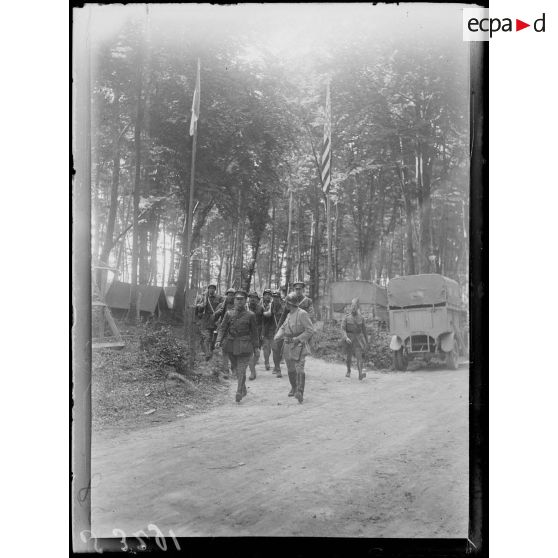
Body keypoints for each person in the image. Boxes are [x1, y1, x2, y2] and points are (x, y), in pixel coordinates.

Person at [216, 290, 259, 403]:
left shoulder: (251, 315)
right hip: (231, 345)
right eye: (237, 299)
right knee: (235, 369)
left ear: (245, 301)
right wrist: (218, 340)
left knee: (241, 370)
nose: (239, 301)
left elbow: (254, 332)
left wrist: (256, 347)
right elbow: (222, 328)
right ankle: (243, 388)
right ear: (234, 300)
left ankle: (239, 391)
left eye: (241, 299)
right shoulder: (229, 313)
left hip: (245, 345)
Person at [274, 293, 314, 403]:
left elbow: (310, 330)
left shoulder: (302, 314)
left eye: (286, 302)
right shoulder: (289, 314)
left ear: (290, 304)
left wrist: (298, 339)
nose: (285, 304)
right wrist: (278, 335)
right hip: (287, 345)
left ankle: (300, 392)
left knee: (299, 369)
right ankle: (294, 387)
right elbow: (284, 327)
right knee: (291, 370)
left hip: (299, 345)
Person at [341, 297, 369, 380]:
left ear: (357, 308)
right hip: (349, 340)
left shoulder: (361, 318)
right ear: (350, 307)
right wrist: (346, 338)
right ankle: (348, 370)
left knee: (359, 357)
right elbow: (342, 329)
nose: (353, 308)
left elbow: (364, 331)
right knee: (348, 357)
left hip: (358, 340)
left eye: (355, 307)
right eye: (352, 306)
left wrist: (366, 342)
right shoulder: (346, 317)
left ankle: (360, 373)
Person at [195, 284, 223, 361]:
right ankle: (207, 354)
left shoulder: (219, 298)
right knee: (207, 337)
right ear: (208, 289)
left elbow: (223, 307)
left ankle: (211, 351)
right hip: (207, 320)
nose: (211, 290)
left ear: (215, 290)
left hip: (216, 321)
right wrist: (200, 307)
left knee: (214, 339)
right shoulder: (204, 298)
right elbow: (198, 309)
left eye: (213, 288)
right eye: (210, 288)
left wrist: (217, 313)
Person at [213, 288, 235, 378]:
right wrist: (219, 312)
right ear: (227, 295)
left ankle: (234, 370)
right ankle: (226, 371)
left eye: (232, 295)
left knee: (233, 352)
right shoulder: (222, 305)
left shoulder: (238, 306)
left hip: (234, 330)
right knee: (225, 351)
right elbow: (214, 317)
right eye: (229, 294)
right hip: (224, 329)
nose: (231, 296)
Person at [261, 289, 284, 375]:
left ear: (280, 298)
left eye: (277, 297)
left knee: (278, 350)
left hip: (279, 332)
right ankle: (272, 365)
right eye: (274, 297)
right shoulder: (268, 306)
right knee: (268, 349)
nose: (275, 299)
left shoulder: (283, 307)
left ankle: (276, 367)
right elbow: (264, 318)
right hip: (268, 332)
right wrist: (267, 313)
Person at [247, 291, 263, 380]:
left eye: (254, 297)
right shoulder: (245, 308)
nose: (252, 299)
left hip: (258, 334)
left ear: (257, 299)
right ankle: (253, 372)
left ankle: (252, 366)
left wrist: (262, 333)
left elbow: (264, 322)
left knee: (257, 353)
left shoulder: (261, 308)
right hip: (247, 334)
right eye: (251, 297)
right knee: (250, 354)